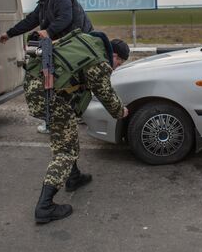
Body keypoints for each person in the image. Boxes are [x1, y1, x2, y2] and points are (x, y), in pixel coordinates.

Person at [24, 31, 130, 224]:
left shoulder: (83, 41)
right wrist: (120, 111)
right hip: (51, 98)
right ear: (114, 55)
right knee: (66, 151)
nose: (117, 66)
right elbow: (105, 93)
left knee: (67, 136)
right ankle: (45, 206)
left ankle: (74, 177)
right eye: (119, 62)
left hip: (36, 88)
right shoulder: (98, 61)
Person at [0, 0, 93, 135]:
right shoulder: (44, 2)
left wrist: (48, 31)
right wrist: (9, 34)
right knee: (63, 82)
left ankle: (69, 117)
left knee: (70, 82)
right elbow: (30, 21)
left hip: (77, 45)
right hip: (65, 46)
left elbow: (66, 17)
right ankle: (67, 116)